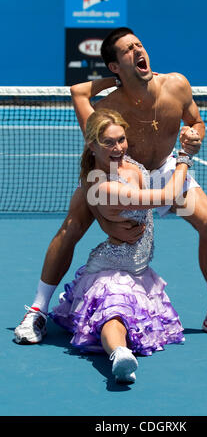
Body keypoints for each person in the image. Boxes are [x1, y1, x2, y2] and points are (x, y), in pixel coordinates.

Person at [14, 27, 207, 345]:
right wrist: (103, 214)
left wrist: (195, 134)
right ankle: (37, 311)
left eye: (139, 44)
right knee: (71, 227)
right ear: (114, 66)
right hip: (122, 178)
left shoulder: (177, 85)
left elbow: (195, 120)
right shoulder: (109, 107)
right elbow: (94, 160)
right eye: (128, 50)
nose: (139, 50)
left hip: (168, 171)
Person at [49, 108, 191, 383]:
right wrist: (184, 157)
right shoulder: (104, 186)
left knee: (125, 318)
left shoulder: (125, 165)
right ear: (92, 145)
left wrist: (107, 224)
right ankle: (119, 354)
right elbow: (167, 195)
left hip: (139, 270)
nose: (119, 147)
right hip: (112, 268)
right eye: (109, 142)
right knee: (113, 315)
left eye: (121, 139)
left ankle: (121, 347)